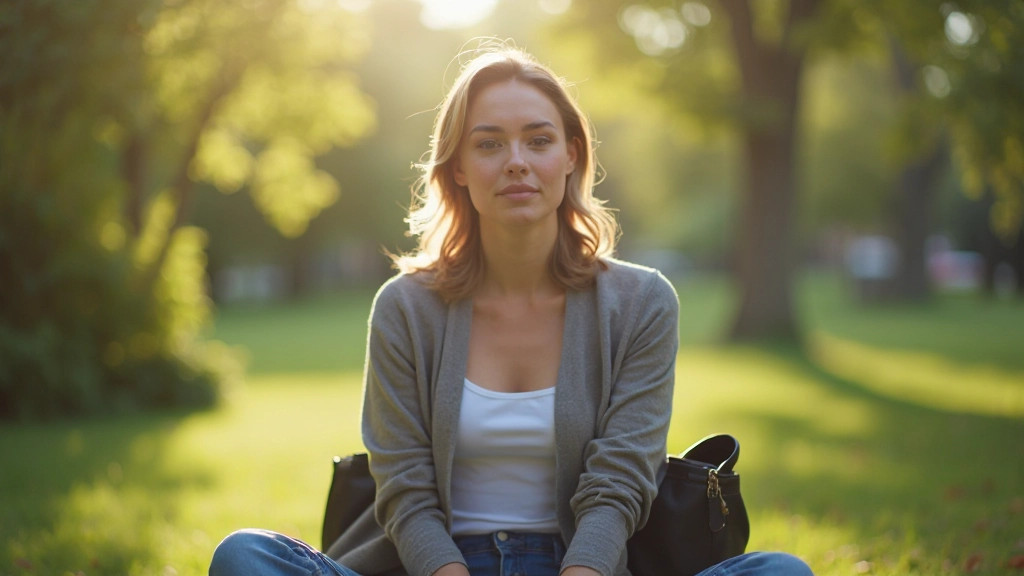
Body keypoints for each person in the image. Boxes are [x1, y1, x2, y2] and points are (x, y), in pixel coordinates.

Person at [210, 43, 813, 576]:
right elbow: (404, 492)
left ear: (571, 156)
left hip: (584, 566)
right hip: (432, 567)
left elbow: (620, 484)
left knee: (780, 572)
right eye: (489, 143)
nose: (516, 160)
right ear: (459, 168)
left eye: (539, 140)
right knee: (245, 556)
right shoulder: (405, 308)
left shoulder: (642, 303)